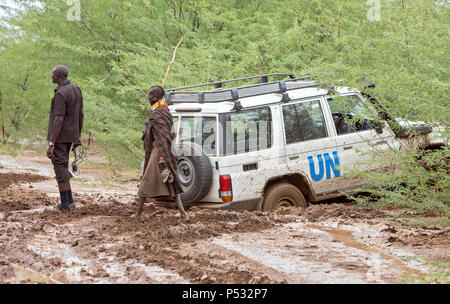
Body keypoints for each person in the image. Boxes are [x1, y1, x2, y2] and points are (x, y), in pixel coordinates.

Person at [131, 85, 187, 219]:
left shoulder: (157, 114)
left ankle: (138, 213)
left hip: (159, 152)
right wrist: (149, 124)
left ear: (155, 97)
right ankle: (183, 214)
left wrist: (162, 157)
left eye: (150, 95)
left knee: (145, 181)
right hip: (167, 151)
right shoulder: (165, 112)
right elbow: (170, 133)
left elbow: (162, 137)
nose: (148, 98)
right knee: (172, 184)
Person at [46, 65, 83, 211]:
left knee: (59, 168)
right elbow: (81, 115)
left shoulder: (61, 93)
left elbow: (59, 119)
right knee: (62, 165)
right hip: (71, 136)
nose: (51, 76)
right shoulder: (76, 89)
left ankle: (65, 204)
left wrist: (51, 142)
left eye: (53, 74)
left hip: (60, 137)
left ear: (59, 76)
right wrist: (77, 135)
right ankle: (70, 201)